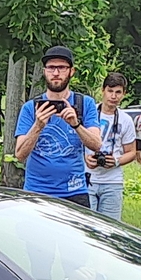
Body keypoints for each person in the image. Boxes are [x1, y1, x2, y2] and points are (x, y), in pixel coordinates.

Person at [13, 45, 104, 203]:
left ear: (71, 71)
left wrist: (76, 124)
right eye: (51, 68)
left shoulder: (84, 103)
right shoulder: (30, 108)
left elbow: (96, 144)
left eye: (61, 67)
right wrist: (38, 126)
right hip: (37, 191)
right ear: (44, 71)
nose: (56, 73)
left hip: (75, 191)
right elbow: (19, 155)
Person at [86, 72, 141, 224]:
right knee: (86, 227)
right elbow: (76, 144)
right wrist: (86, 159)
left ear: (124, 94)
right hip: (88, 178)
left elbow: (131, 152)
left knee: (109, 228)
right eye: (110, 91)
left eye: (118, 92)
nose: (113, 96)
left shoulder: (126, 120)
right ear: (103, 91)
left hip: (112, 181)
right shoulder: (89, 114)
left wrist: (116, 161)